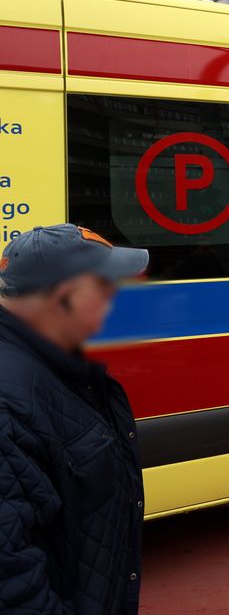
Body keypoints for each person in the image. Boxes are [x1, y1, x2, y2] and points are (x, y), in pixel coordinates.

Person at [0, 225, 150, 614]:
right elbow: (12, 583)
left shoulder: (66, 368)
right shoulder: (11, 400)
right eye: (105, 287)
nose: (116, 300)